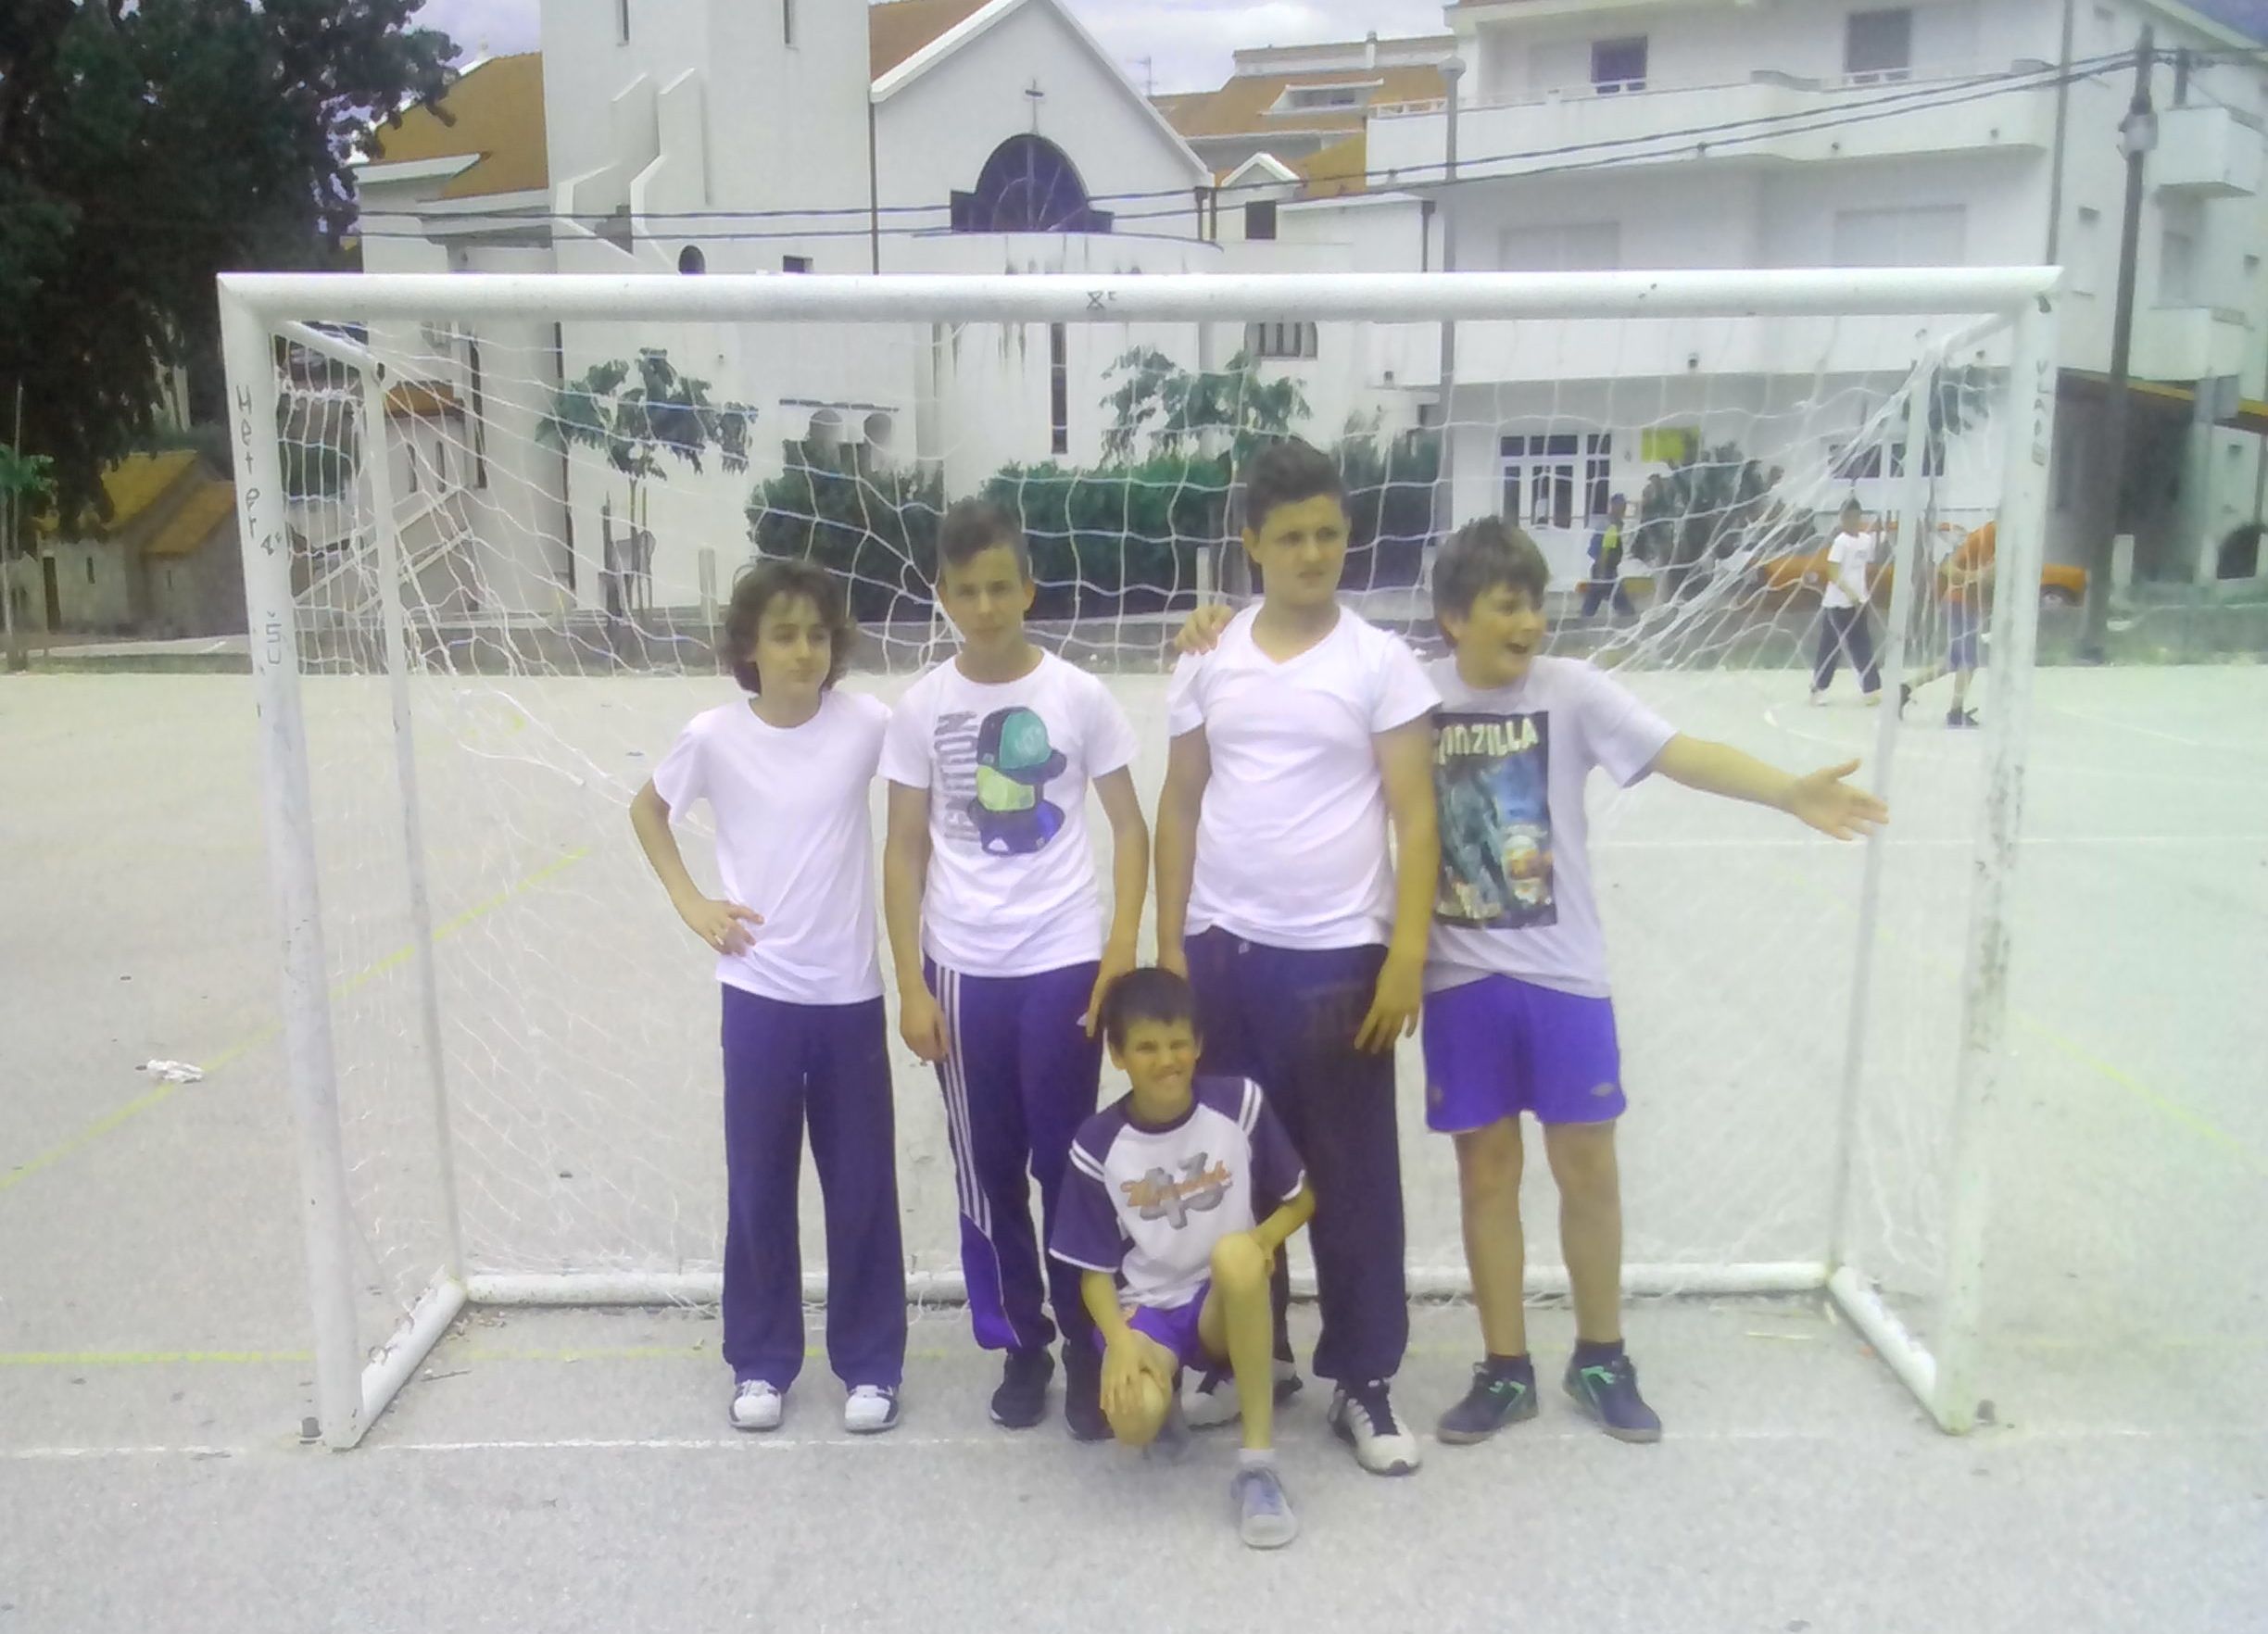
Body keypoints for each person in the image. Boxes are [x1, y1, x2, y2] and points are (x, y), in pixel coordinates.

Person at [1175, 517, 1887, 1446]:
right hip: (1460, 983)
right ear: (1454, 617)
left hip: (1564, 978)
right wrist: (1213, 626)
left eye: (1536, 607)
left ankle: (1602, 1356)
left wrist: (1787, 790)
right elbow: (1301, 711)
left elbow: (1681, 752)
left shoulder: (1573, 691)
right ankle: (1504, 1368)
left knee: (1586, 1169)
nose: (1530, 625)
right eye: (1508, 607)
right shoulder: (1409, 692)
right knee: (1487, 1175)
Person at [1153, 437, 1441, 1477]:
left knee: (1351, 1176)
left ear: (1346, 535)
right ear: (1253, 545)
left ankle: (1363, 1375)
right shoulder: (1208, 656)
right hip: (1223, 953)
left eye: (1327, 533)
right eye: (1290, 537)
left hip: (1338, 961)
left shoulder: (1380, 662)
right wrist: (1170, 949)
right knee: (1234, 1172)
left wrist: (1406, 954)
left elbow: (1416, 814)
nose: (1312, 553)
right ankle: (1253, 1355)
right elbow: (1180, 804)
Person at [881, 498, 1149, 1440]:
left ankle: (1089, 1342)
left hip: (1062, 959)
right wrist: (912, 983)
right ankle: (1020, 1342)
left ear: (1029, 590)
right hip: (963, 968)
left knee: (1067, 1162)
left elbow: (1129, 828)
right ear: (943, 596)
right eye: (967, 591)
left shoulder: (1078, 696)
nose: (986, 606)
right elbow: (904, 849)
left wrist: (1120, 947)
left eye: (1001, 587)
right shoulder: (922, 708)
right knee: (986, 1167)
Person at [629, 560, 907, 1435]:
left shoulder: (868, 724)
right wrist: (691, 902)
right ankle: (760, 1359)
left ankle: (871, 1364)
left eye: (818, 635)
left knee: (861, 1186)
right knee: (758, 1183)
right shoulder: (713, 736)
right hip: (757, 997)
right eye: (783, 635)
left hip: (849, 997)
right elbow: (647, 812)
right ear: (748, 647)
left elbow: (942, 736)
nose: (803, 651)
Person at [1049, 968, 1315, 1550]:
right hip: (1149, 1312)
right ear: (1118, 1055)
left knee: (1236, 1255)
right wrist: (1120, 1343)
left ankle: (1258, 1468)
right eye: (1146, 1047)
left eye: (1178, 1044)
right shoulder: (1097, 1144)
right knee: (1132, 1418)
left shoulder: (1239, 1105)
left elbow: (1301, 1200)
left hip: (1221, 1300)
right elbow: (1093, 1273)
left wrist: (1263, 1241)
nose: (1166, 1060)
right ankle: (1165, 1395)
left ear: (1198, 1045)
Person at [1900, 521, 1990, 729]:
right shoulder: (1985, 537)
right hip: (1960, 603)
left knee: (1950, 663)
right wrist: (1978, 576)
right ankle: (1955, 713)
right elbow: (1947, 567)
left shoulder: (2001, 541)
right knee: (1969, 661)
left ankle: (1904, 689)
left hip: (1968, 605)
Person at [1810, 498, 1883, 705]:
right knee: (1830, 648)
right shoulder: (1840, 542)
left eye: (1855, 516)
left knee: (1862, 645)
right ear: (1842, 518)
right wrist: (1849, 592)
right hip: (1836, 604)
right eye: (1847, 517)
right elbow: (1833, 572)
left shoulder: (1865, 540)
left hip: (1859, 602)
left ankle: (1872, 689)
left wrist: (1861, 594)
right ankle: (1818, 688)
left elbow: (1865, 566)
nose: (1851, 521)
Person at [1581, 494, 1637, 621]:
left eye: (1624, 506)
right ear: (1614, 506)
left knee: (1594, 597)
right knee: (1619, 599)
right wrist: (1601, 572)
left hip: (1603, 569)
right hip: (1605, 569)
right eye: (1621, 506)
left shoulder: (1609, 523)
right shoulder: (1611, 526)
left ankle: (1583, 620)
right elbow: (1604, 550)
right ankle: (1629, 619)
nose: (1623, 510)